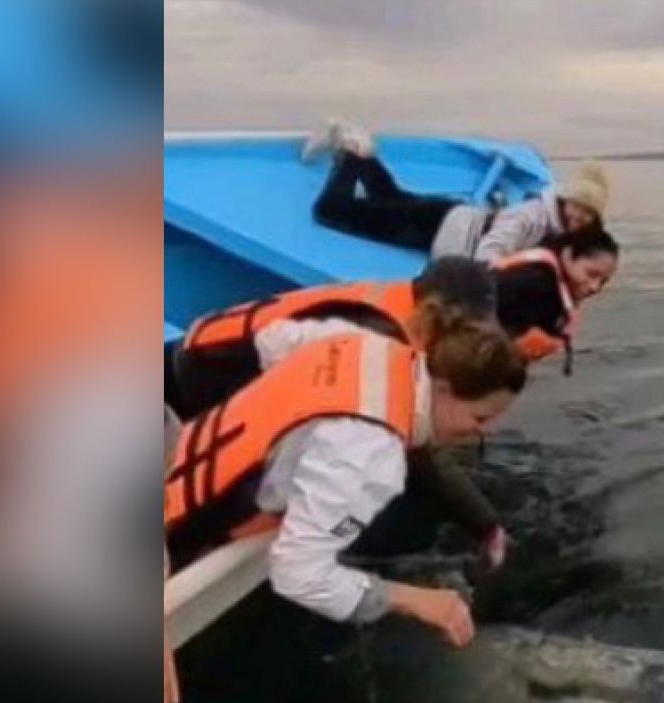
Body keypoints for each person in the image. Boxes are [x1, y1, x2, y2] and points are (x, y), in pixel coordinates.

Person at [164, 307, 528, 651]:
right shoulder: (371, 455)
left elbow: (274, 342)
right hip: (175, 528)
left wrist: (288, 440)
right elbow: (298, 575)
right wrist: (416, 600)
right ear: (445, 389)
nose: (485, 432)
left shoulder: (364, 344)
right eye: (480, 419)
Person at [169, 256, 515, 572]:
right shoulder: (380, 347)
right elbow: (421, 451)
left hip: (194, 354)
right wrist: (483, 523)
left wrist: (482, 520)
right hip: (200, 382)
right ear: (444, 320)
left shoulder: (395, 309)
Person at [302, 118, 610, 262]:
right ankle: (348, 146)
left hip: (452, 216)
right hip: (437, 230)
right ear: (565, 200)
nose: (580, 216)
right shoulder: (534, 217)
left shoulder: (557, 224)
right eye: (578, 207)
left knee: (389, 198)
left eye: (588, 213)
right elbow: (492, 247)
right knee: (331, 211)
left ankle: (362, 155)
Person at [491, 225, 622, 374]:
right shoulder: (534, 284)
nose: (595, 287)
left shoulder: (551, 289)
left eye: (603, 281)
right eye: (591, 274)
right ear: (568, 255)